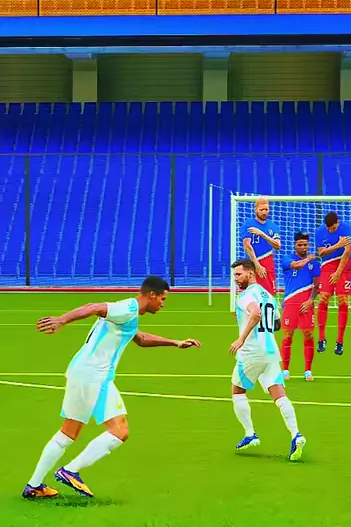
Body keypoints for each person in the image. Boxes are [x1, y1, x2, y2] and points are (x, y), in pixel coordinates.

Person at [22, 276, 201, 499]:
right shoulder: (128, 308)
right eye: (162, 299)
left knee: (79, 432)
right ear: (152, 295)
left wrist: (175, 342)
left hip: (91, 374)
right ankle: (68, 471)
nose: (162, 304)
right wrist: (62, 320)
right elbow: (93, 307)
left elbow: (140, 338)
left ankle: (35, 485)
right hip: (92, 376)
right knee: (108, 431)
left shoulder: (128, 314)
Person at [230, 259, 306, 462]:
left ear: (250, 273)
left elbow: (255, 313)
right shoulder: (268, 295)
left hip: (252, 351)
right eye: (235, 275)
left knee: (237, 390)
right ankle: (296, 434)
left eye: (239, 274)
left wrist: (241, 338)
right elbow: (277, 324)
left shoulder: (246, 296)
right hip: (271, 350)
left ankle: (250, 434)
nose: (236, 279)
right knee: (279, 395)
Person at [314, 210, 351, 356]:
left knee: (343, 300)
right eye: (328, 228)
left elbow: (347, 252)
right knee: (324, 297)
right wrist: (337, 245)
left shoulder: (347, 228)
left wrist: (338, 273)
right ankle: (321, 338)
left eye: (333, 228)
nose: (331, 230)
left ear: (337, 223)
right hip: (327, 265)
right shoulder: (320, 231)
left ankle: (340, 341)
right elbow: (321, 253)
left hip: (344, 266)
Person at [281, 231, 320, 381]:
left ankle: (308, 371)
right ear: (295, 245)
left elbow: (317, 285)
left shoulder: (314, 264)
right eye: (300, 245)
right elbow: (296, 266)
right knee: (288, 335)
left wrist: (311, 301)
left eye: (305, 245)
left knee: (308, 335)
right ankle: (285, 370)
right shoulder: (287, 259)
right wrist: (309, 258)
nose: (303, 247)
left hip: (306, 304)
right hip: (290, 302)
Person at [239, 197, 281, 295]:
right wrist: (257, 265)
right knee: (250, 294)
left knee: (268, 294)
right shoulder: (248, 224)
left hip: (268, 263)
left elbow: (277, 245)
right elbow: (247, 245)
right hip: (252, 263)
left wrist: (262, 234)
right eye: (261, 210)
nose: (264, 212)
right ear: (255, 209)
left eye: (266, 209)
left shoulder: (273, 226)